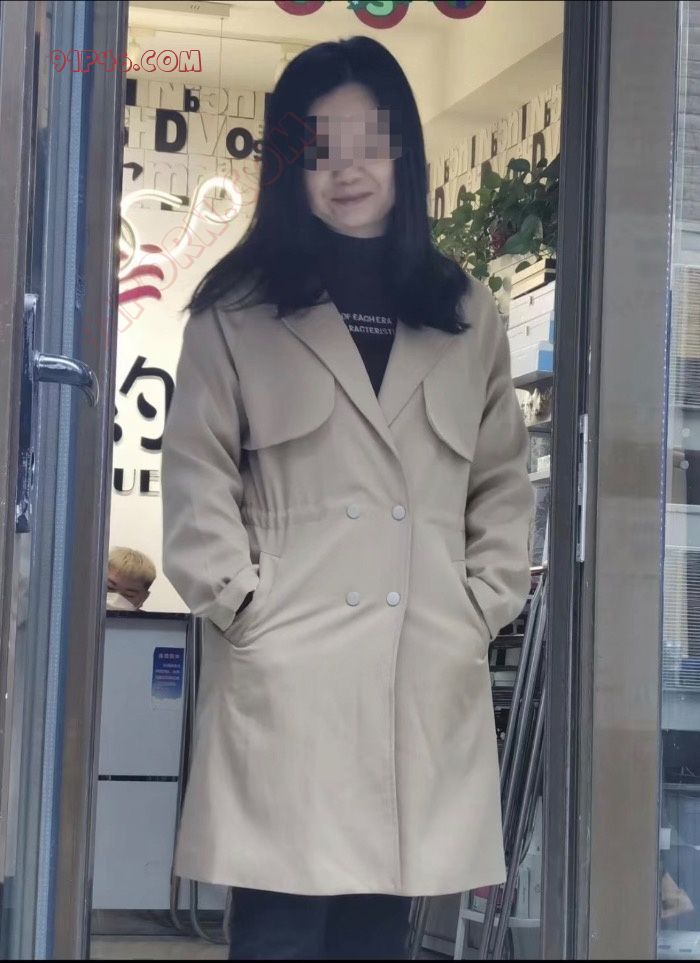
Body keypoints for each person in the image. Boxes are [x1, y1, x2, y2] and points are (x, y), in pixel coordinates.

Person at [161, 36, 534, 961]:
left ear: (404, 152)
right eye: (321, 148)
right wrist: (242, 599)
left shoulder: (464, 313)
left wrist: (481, 602)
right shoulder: (238, 309)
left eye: (370, 143)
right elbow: (199, 473)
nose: (348, 170)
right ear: (291, 167)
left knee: (377, 934)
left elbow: (500, 479)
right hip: (292, 679)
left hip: (420, 669)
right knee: (280, 931)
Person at [106, 546, 156, 612]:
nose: (115, 600)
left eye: (129, 594)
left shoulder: (149, 619)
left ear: (143, 598)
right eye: (110, 588)